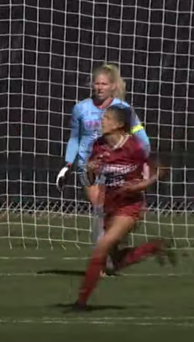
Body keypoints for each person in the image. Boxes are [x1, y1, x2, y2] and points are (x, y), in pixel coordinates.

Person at [71, 105, 173, 310]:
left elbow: (161, 169)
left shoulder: (135, 147)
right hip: (110, 205)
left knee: (102, 246)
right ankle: (153, 247)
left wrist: (142, 184)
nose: (101, 121)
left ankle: (80, 303)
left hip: (130, 206)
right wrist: (90, 171)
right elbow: (91, 177)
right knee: (113, 263)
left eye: (106, 118)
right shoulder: (98, 146)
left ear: (118, 125)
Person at [57, 64, 150, 274]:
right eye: (96, 83)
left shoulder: (123, 109)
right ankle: (101, 261)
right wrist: (67, 164)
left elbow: (141, 137)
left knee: (115, 213)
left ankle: (110, 253)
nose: (99, 87)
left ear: (113, 86)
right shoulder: (80, 108)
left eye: (104, 84)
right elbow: (74, 138)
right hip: (88, 165)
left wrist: (143, 160)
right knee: (100, 209)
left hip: (117, 168)